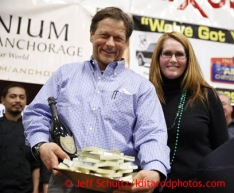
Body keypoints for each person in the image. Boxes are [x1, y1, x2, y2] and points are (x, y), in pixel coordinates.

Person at [22, 6, 170, 193]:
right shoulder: (64, 75)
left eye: (118, 38)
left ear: (126, 42)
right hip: (64, 184)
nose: (110, 43)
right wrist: (41, 144)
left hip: (118, 188)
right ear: (91, 34)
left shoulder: (142, 88)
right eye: (104, 35)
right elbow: (37, 113)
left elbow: (152, 134)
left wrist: (155, 170)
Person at [149, 31, 229, 192]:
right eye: (167, 54)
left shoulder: (206, 96)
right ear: (158, 58)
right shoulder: (146, 95)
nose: (173, 60)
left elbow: (223, 152)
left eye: (179, 54)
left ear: (188, 59)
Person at [0, 83, 41, 193]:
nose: (18, 100)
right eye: (13, 96)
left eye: (22, 97)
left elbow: (36, 165)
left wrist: (35, 190)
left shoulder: (32, 130)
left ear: (26, 101)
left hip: (24, 189)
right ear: (3, 100)